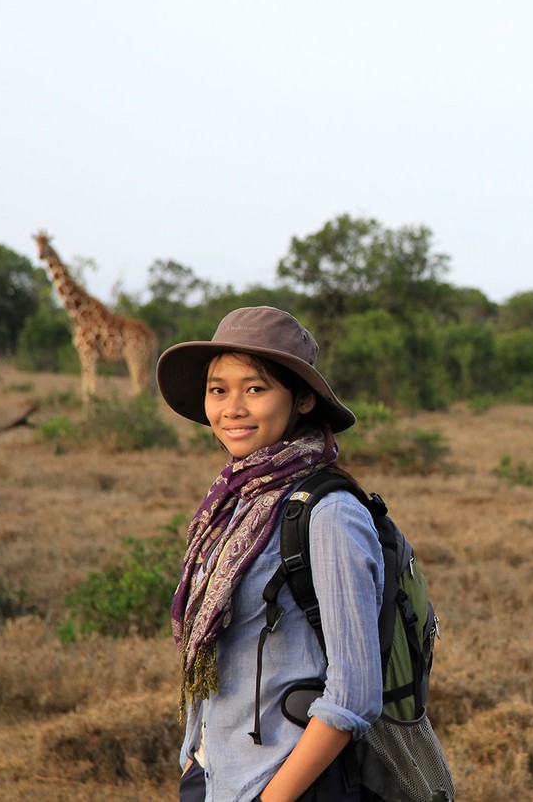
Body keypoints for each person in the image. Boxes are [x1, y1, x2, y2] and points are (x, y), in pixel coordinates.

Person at [156, 306, 385, 802]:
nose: (232, 408)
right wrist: (195, 762)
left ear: (303, 399)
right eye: (219, 390)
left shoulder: (330, 514)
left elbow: (354, 693)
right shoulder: (233, 502)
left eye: (255, 389)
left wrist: (271, 798)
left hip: (286, 785)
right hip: (213, 777)